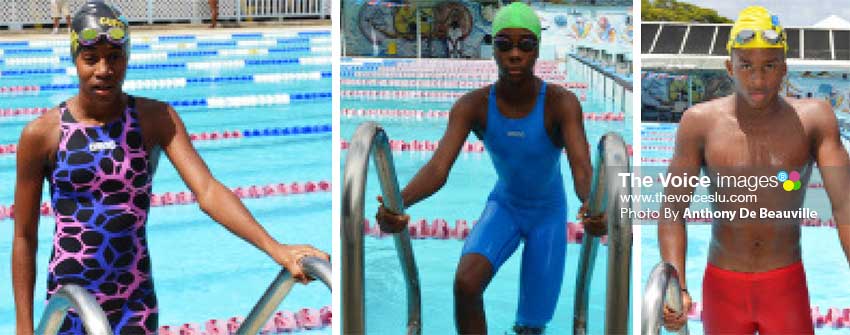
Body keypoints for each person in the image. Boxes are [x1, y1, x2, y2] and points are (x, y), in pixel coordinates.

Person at [12, 2, 328, 334]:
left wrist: (275, 248)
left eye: (115, 57)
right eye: (91, 59)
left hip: (134, 300)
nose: (103, 69)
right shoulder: (42, 134)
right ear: (75, 59)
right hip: (71, 302)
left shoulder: (154, 118)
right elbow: (23, 236)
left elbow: (207, 190)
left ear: (128, 57)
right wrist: (23, 324)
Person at [375, 3, 604, 334]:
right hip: (506, 207)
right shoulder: (473, 106)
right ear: (492, 49)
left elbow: (582, 171)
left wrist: (596, 206)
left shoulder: (560, 103)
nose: (514, 54)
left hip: (548, 217)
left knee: (531, 325)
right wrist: (397, 202)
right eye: (504, 45)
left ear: (537, 49)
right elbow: (438, 168)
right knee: (466, 285)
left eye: (525, 45)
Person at [659, 6, 850, 334]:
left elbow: (845, 204)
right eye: (746, 65)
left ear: (785, 68)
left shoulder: (814, 120)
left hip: (785, 284)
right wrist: (677, 285)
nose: (758, 79)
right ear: (729, 66)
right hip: (723, 286)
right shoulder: (699, 123)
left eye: (770, 66)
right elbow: (672, 209)